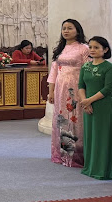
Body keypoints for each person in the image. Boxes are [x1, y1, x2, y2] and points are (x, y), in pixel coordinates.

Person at [47, 19, 89, 167]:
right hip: (60, 90)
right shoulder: (61, 48)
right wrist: (51, 92)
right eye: (64, 28)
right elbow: (53, 71)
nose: (66, 31)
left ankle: (77, 155)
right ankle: (63, 154)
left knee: (75, 119)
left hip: (76, 89)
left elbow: (87, 70)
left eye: (70, 28)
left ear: (77, 30)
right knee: (61, 119)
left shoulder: (84, 48)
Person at [78, 36, 112, 180]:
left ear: (105, 50)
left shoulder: (108, 67)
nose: (92, 50)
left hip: (104, 106)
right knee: (90, 136)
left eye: (96, 47)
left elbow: (108, 89)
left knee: (102, 136)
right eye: (90, 47)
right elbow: (81, 86)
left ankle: (103, 170)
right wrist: (84, 101)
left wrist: (89, 101)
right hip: (88, 106)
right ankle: (90, 167)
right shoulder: (85, 66)